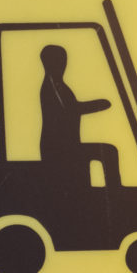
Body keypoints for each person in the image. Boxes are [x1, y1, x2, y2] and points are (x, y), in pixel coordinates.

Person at [38, 44, 121, 186]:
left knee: (107, 152)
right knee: (109, 152)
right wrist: (99, 104)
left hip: (65, 144)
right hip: (59, 147)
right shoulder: (52, 86)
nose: (63, 64)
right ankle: (115, 194)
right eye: (60, 60)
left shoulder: (57, 85)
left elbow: (71, 108)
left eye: (64, 60)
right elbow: (71, 109)